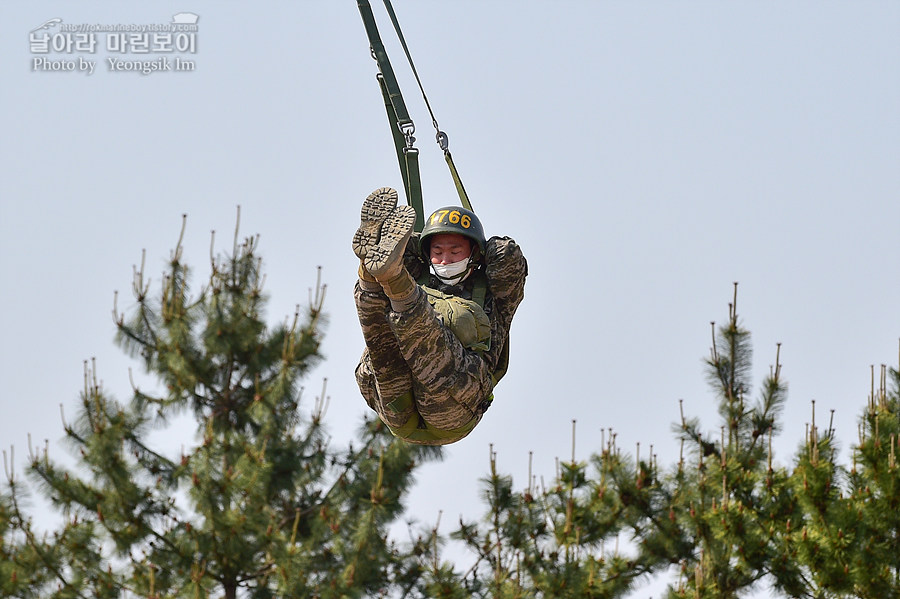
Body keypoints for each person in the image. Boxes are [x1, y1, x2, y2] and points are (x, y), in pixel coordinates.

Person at [352, 187, 527, 445]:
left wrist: (482, 241)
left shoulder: (495, 295)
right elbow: (411, 253)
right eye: (437, 252)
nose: (445, 260)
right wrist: (413, 242)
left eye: (455, 252)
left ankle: (394, 282)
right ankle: (370, 271)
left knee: (420, 321)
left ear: (474, 255)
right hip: (394, 402)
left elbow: (508, 258)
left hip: (452, 405)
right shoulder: (421, 275)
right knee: (382, 335)